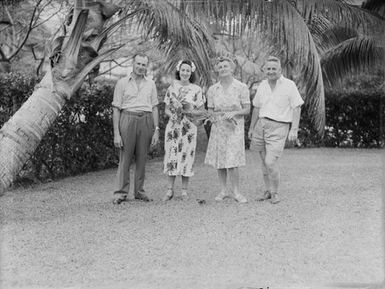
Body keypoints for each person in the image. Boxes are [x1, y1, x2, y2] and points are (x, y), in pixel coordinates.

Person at [248, 56, 304, 204]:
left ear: (280, 70)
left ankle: (275, 192)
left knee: (270, 161)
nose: (271, 71)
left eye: (274, 69)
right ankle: (267, 191)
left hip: (280, 126)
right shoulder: (262, 85)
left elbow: (296, 107)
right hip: (261, 125)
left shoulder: (289, 85)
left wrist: (294, 129)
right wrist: (252, 128)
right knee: (263, 162)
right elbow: (257, 107)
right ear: (265, 70)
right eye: (268, 69)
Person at [111, 53, 160, 204]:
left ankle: (139, 191)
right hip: (128, 118)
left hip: (145, 120)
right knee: (125, 158)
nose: (140, 67)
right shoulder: (122, 83)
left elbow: (154, 107)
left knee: (141, 158)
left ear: (147, 67)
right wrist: (116, 133)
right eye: (138, 64)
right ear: (133, 64)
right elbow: (116, 109)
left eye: (143, 65)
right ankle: (120, 193)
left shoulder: (151, 83)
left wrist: (156, 129)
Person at [204, 56, 250, 203]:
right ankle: (223, 190)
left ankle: (236, 192)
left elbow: (247, 109)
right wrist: (211, 117)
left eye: (225, 66)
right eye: (220, 66)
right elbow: (210, 110)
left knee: (232, 160)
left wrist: (234, 113)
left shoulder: (241, 87)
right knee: (220, 160)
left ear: (232, 69)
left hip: (234, 128)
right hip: (219, 128)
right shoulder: (212, 89)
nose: (223, 68)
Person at [162, 60, 206, 201]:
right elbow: (167, 109)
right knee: (172, 155)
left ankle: (184, 191)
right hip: (174, 127)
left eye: (188, 70)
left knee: (187, 156)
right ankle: (169, 191)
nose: (185, 73)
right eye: (183, 70)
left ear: (191, 72)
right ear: (178, 71)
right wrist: (174, 115)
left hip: (188, 128)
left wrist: (192, 116)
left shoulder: (197, 89)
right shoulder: (172, 87)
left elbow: (201, 110)